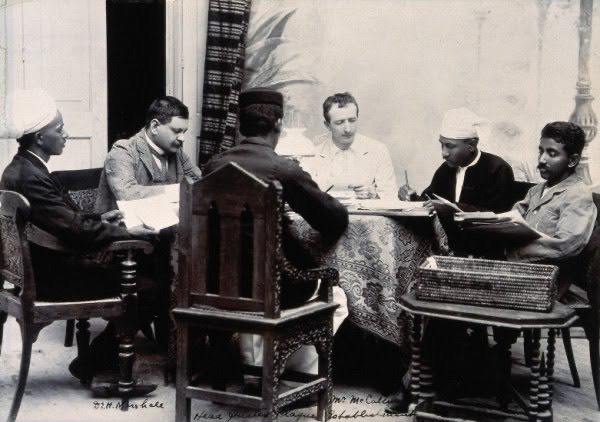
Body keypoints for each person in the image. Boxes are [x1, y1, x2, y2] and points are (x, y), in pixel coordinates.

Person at [0, 89, 159, 384]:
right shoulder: (32, 177)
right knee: (149, 287)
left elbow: (65, 220)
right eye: (59, 130)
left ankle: (97, 362)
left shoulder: (23, 169)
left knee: (140, 277)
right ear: (39, 138)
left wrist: (100, 217)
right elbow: (76, 233)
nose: (66, 135)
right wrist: (127, 232)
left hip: (39, 270)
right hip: (52, 279)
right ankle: (93, 364)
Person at [203, 88, 350, 397]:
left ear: (242, 125)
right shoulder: (282, 169)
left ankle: (254, 374)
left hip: (217, 287)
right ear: (279, 124)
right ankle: (297, 381)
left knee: (254, 278)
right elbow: (333, 221)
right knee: (331, 292)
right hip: (274, 290)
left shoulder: (213, 167)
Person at [506, 121, 597, 297]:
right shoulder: (535, 191)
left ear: (572, 160)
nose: (541, 159)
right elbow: (512, 220)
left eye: (552, 153)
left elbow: (566, 244)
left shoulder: (578, 194)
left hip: (549, 281)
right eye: (541, 151)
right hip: (519, 272)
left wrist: (515, 252)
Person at [94, 95, 202, 213]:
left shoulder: (178, 153)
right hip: (118, 229)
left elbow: (199, 184)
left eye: (184, 132)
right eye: (176, 131)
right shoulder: (122, 151)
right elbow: (127, 195)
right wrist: (180, 191)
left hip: (164, 226)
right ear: (155, 126)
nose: (182, 138)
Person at [398, 107, 514, 212]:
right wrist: (412, 198)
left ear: (472, 145)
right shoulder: (446, 169)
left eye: (450, 146)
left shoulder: (497, 169)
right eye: (442, 145)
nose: (443, 153)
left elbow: (500, 215)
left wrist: (450, 208)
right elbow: (430, 201)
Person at [302, 92, 398, 200]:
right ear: (327, 125)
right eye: (339, 123)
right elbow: (304, 197)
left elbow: (391, 197)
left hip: (368, 216)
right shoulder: (312, 155)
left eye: (352, 121)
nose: (348, 129)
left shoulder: (378, 150)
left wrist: (374, 195)